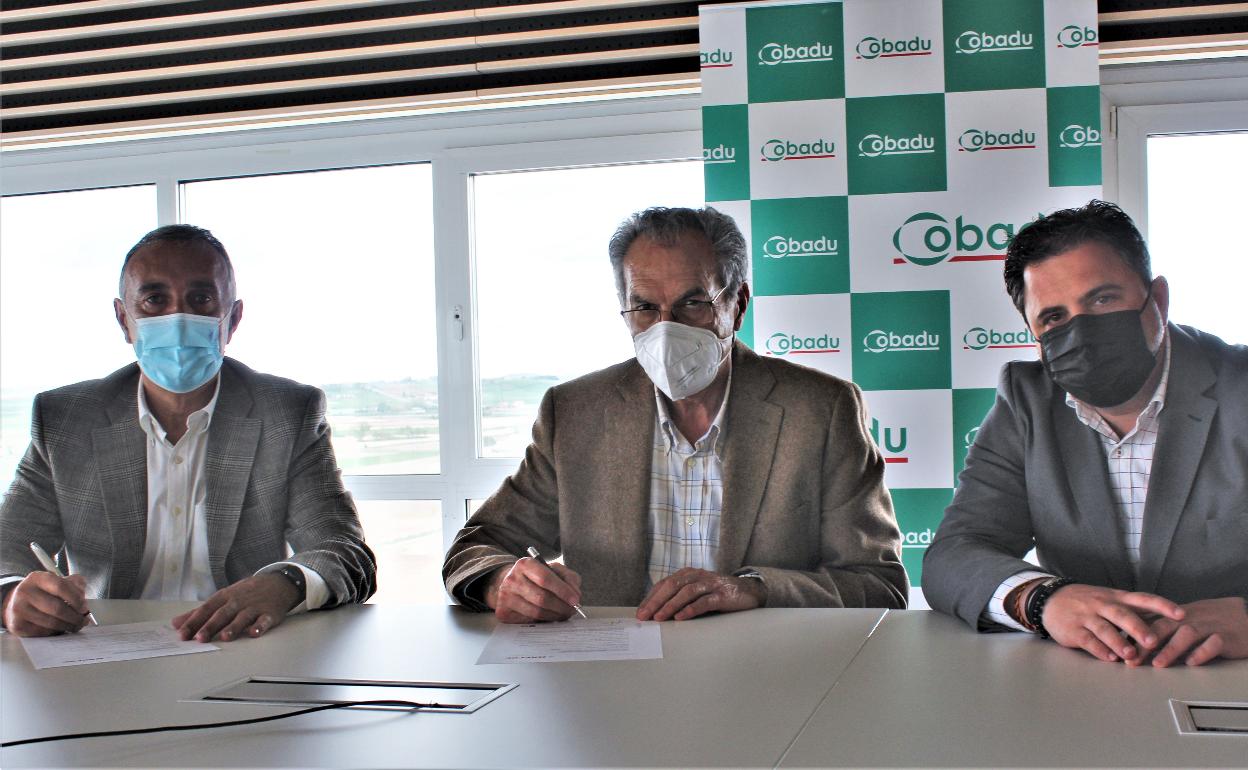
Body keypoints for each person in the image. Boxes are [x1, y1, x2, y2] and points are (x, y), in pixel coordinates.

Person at [443, 207, 907, 623]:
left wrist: (754, 589)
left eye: (692, 303)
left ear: (737, 304)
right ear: (624, 311)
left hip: (769, 680)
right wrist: (501, 581)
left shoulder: (820, 409)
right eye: (645, 307)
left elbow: (878, 584)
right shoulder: (575, 413)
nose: (666, 329)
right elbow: (475, 547)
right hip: (612, 685)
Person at [1, 225, 376, 640]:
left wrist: (283, 584)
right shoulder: (66, 419)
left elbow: (345, 553)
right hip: (100, 653)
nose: (177, 320)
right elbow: (7, 548)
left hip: (240, 648)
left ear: (231, 320)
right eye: (154, 300)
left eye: (201, 299)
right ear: (124, 320)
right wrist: (11, 597)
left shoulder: (287, 413)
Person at [923, 200, 1248, 667]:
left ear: (1157, 299)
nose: (1083, 330)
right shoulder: (1027, 400)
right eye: (1054, 318)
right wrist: (1042, 600)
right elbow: (954, 555)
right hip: (1088, 685)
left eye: (1103, 299)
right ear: (1035, 334)